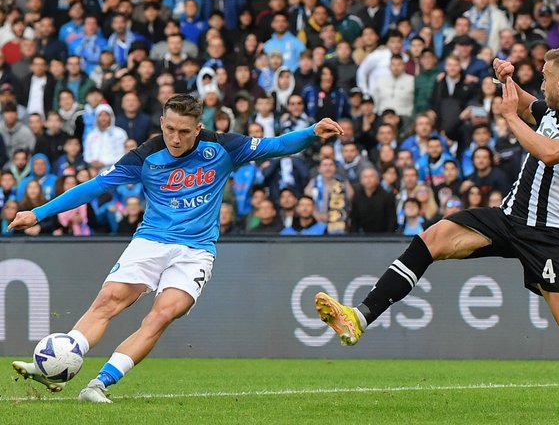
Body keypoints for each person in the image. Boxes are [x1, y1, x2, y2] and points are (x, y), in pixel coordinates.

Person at [314, 47, 559, 413]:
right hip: (508, 217)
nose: (539, 84)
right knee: (433, 238)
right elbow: (527, 104)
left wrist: (510, 118)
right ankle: (359, 318)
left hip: (548, 234)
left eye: (543, 77)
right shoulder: (554, 110)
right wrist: (507, 79)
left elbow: (552, 152)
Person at [10, 94, 343, 402]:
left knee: (162, 314)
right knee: (108, 301)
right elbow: (94, 187)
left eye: (184, 131)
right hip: (150, 241)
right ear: (162, 124)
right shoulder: (145, 155)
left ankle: (98, 384)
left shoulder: (223, 148)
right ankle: (57, 364)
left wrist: (312, 132)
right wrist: (37, 213)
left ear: (198, 128)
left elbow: (276, 145)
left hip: (195, 250)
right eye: (169, 129)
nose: (175, 138)